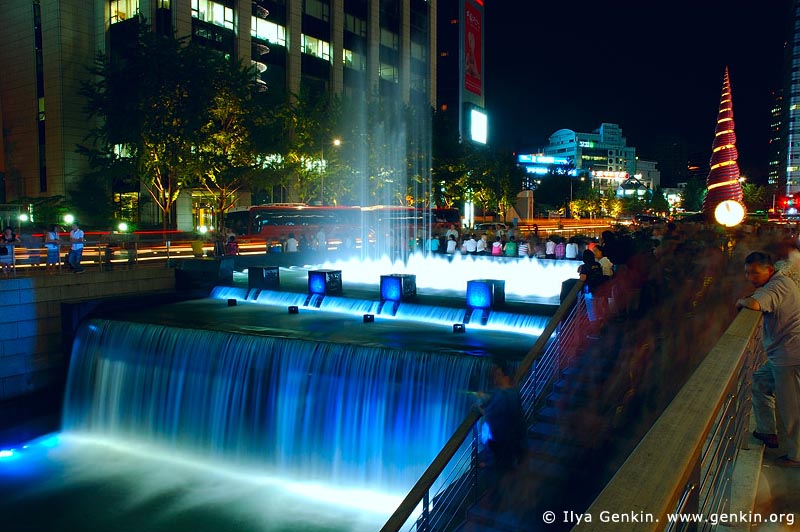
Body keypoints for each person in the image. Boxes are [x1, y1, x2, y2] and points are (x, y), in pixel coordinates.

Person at [736, 251, 800, 467]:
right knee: (760, 382)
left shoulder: (775, 286)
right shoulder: (781, 281)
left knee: (791, 408)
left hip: (789, 356)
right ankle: (766, 432)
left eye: (755, 273)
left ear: (770, 270)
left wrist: (741, 300)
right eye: (747, 273)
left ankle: (796, 456)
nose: (750, 277)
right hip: (782, 355)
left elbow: (755, 304)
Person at [476, 361, 525, 470]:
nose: (495, 378)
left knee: (499, 471)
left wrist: (479, 407)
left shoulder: (502, 396)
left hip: (501, 444)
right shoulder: (514, 392)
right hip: (511, 442)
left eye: (497, 375)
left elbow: (490, 415)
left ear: (505, 376)